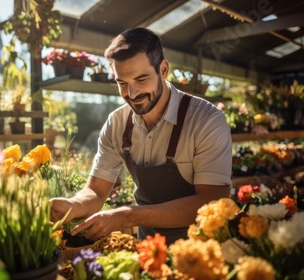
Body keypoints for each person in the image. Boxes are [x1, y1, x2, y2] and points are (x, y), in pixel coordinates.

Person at [51, 27, 232, 245]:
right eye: (122, 83)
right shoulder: (117, 124)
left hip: (202, 251)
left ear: (163, 69)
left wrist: (127, 215)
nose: (132, 94)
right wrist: (74, 205)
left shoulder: (205, 120)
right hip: (149, 248)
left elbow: (210, 201)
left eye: (142, 79)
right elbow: (96, 191)